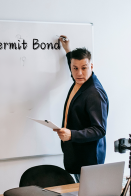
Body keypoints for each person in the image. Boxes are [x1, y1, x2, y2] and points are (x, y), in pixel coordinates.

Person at [53, 35, 109, 183]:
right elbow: (75, 65)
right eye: (74, 68)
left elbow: (100, 130)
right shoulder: (80, 80)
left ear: (91, 66)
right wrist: (68, 50)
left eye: (84, 68)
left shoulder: (94, 93)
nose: (78, 73)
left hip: (89, 160)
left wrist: (71, 134)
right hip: (77, 155)